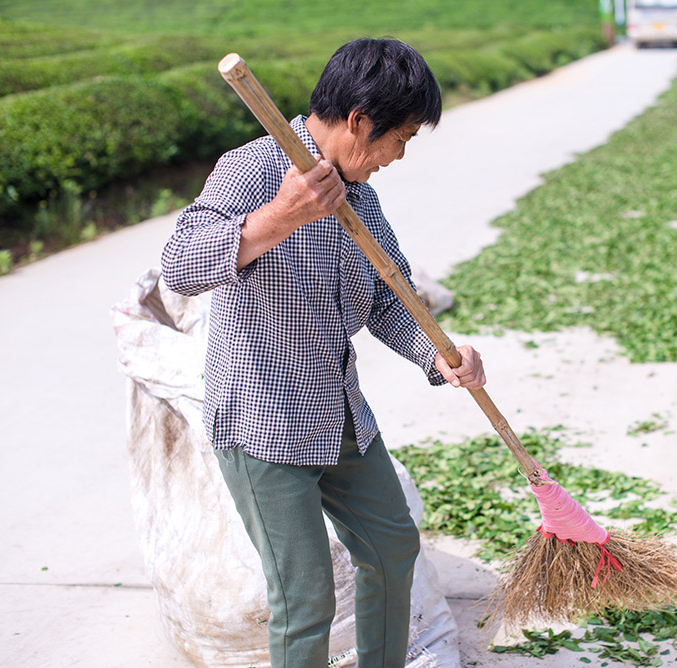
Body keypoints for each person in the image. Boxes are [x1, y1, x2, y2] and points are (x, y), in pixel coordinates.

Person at [161, 38, 485, 668]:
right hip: (261, 426)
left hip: (339, 417)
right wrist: (279, 216)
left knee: (392, 550)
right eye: (401, 138)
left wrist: (438, 356)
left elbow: (390, 300)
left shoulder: (361, 199)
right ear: (361, 121)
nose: (398, 156)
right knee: (305, 597)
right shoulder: (251, 171)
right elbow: (179, 265)